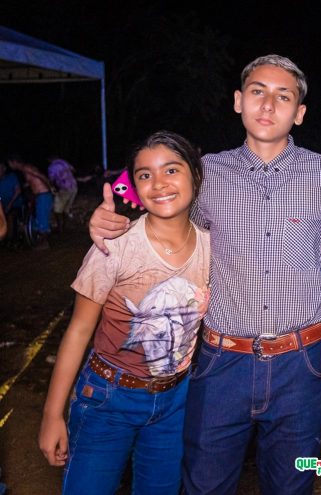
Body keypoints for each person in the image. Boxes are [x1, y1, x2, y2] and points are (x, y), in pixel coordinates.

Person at [89, 55, 321, 494]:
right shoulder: (205, 174)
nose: (268, 104)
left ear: (299, 113)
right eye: (258, 91)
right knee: (204, 483)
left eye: (284, 96)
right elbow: (149, 203)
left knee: (294, 483)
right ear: (238, 101)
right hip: (221, 362)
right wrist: (102, 219)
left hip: (302, 364)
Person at [38, 131, 209, 494]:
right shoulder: (114, 248)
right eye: (144, 175)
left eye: (172, 170)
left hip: (175, 401)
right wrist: (52, 415)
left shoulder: (214, 248)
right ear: (133, 185)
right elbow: (78, 331)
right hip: (107, 399)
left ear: (195, 174)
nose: (158, 183)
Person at [7, 154, 54, 246]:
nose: (9, 166)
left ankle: (44, 244)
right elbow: (33, 181)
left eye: (9, 163)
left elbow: (41, 176)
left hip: (43, 194)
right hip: (40, 196)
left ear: (14, 162)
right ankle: (42, 241)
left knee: (42, 220)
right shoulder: (24, 170)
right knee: (40, 218)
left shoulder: (26, 168)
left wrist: (51, 187)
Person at [47, 156, 78, 233]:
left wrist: (53, 188)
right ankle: (64, 227)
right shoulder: (63, 162)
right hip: (74, 187)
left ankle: (60, 228)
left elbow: (51, 180)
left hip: (65, 188)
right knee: (65, 209)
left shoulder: (52, 167)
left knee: (57, 210)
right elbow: (74, 170)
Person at [0, 161, 22, 240]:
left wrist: (10, 204)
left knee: (10, 215)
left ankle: (11, 239)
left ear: (4, 169)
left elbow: (18, 191)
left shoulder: (12, 177)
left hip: (15, 204)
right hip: (3, 206)